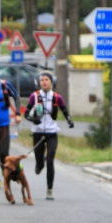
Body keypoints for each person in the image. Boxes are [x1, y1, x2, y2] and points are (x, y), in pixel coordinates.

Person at [23, 72, 74, 200]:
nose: (44, 82)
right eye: (42, 80)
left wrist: (69, 120)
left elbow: (65, 111)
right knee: (40, 163)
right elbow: (26, 113)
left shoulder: (57, 97)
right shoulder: (34, 96)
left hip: (52, 133)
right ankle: (39, 166)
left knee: (50, 160)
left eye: (47, 80)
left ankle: (49, 189)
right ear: (40, 83)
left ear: (51, 82)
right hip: (38, 133)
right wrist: (32, 119)